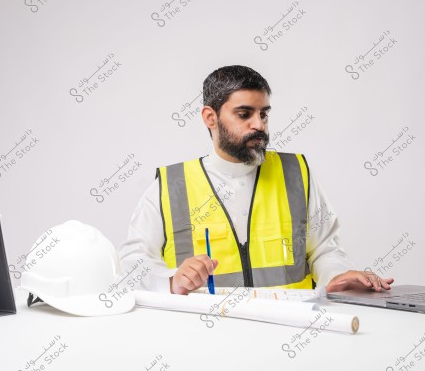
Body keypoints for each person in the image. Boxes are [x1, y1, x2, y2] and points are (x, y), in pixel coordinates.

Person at [118, 65, 393, 295]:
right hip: (205, 340)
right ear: (210, 117)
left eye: (264, 114)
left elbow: (324, 249)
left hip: (289, 331)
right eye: (244, 114)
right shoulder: (171, 185)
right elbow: (132, 263)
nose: (259, 125)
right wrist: (170, 280)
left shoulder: (295, 173)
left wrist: (336, 276)